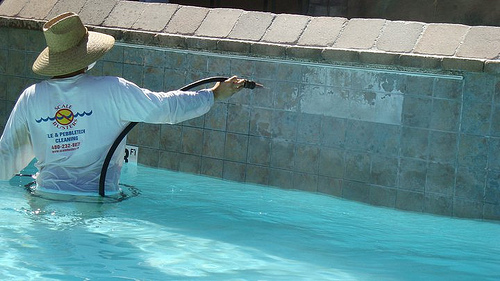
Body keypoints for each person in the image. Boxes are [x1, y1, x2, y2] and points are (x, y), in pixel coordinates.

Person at [0, 12, 245, 196]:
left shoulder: (31, 97)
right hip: (96, 200)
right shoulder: (113, 89)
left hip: (45, 197)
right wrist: (212, 95)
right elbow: (165, 108)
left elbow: (6, 156)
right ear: (87, 55)